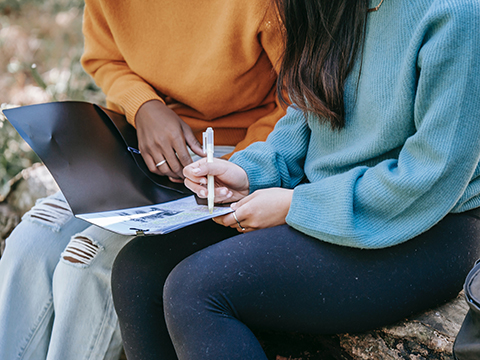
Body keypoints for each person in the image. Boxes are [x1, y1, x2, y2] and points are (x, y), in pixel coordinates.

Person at [110, 0, 480, 359]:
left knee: (197, 290)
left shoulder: (457, 13)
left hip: (430, 224)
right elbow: (306, 113)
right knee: (138, 270)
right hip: (326, 200)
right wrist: (247, 174)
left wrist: (295, 206)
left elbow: (431, 177)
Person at [0, 0, 285, 359]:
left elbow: (300, 99)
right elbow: (104, 57)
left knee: (86, 263)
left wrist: (239, 167)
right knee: (31, 243)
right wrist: (144, 106)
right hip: (140, 145)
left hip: (239, 154)